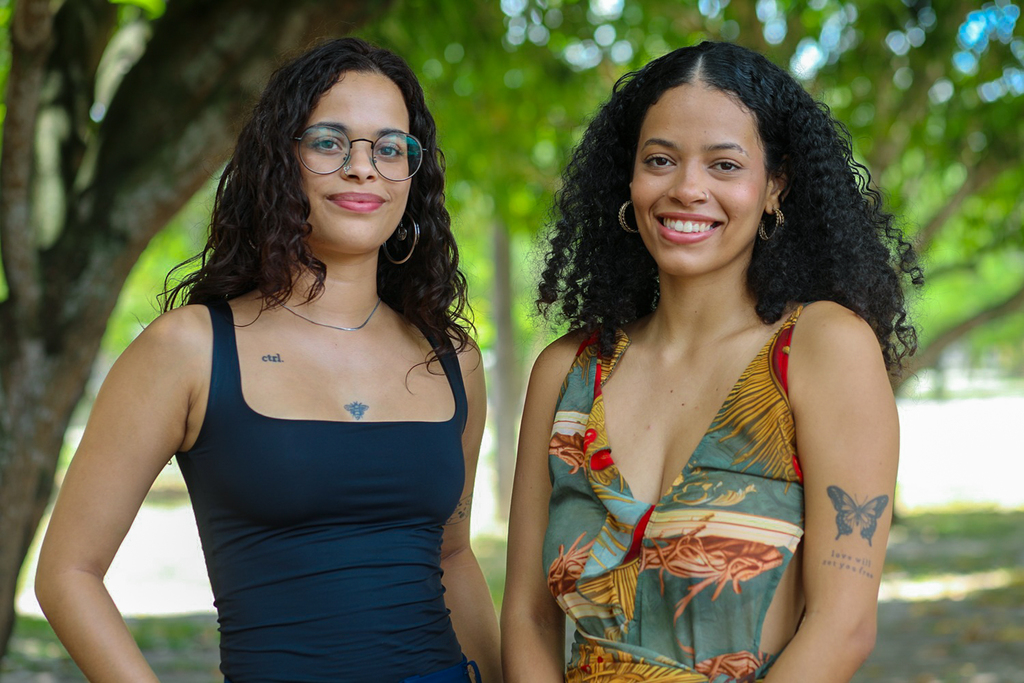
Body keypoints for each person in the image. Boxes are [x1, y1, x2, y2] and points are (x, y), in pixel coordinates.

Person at [35, 37, 499, 683]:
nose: (363, 168)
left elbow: (453, 555)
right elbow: (68, 573)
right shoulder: (188, 348)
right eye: (330, 141)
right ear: (280, 160)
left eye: (390, 148)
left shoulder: (449, 357)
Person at [502, 41, 921, 683]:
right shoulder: (565, 371)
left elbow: (843, 629)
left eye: (724, 164)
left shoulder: (823, 348)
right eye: (660, 160)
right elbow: (529, 619)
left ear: (774, 186)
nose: (687, 188)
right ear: (631, 182)